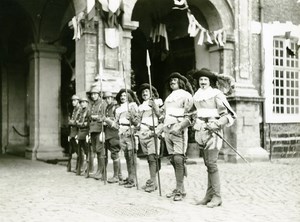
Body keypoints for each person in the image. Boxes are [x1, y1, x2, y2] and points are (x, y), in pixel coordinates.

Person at [192, 68, 236, 208]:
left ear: (210, 81)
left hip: (213, 133)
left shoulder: (216, 94)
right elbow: (194, 113)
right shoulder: (197, 96)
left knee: (212, 163)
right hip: (201, 132)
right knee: (208, 164)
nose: (203, 82)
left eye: (205, 79)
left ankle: (217, 196)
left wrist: (216, 124)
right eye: (201, 80)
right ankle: (209, 195)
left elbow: (228, 115)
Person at [163, 72, 194, 201]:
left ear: (181, 82)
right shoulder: (168, 97)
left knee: (178, 159)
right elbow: (163, 113)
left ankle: (179, 189)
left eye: (175, 80)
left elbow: (190, 115)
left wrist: (180, 127)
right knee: (172, 159)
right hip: (167, 128)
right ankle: (180, 188)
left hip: (178, 128)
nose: (172, 81)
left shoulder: (186, 96)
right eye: (171, 80)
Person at [105, 89, 140, 188]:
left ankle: (133, 179)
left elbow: (137, 121)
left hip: (130, 132)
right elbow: (116, 124)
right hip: (121, 133)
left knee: (131, 155)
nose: (123, 97)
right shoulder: (118, 109)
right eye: (121, 96)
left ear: (128, 96)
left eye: (125, 95)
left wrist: (133, 129)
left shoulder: (132, 106)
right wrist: (108, 121)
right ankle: (129, 177)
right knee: (127, 156)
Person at [136, 83, 163, 193]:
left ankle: (153, 183)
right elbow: (138, 120)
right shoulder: (141, 106)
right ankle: (152, 180)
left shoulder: (158, 102)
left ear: (152, 93)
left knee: (153, 157)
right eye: (143, 92)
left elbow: (161, 117)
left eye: (147, 91)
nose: (144, 93)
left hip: (153, 132)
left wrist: (155, 107)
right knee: (149, 158)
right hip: (143, 133)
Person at [102, 91, 123, 183]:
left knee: (114, 153)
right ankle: (119, 175)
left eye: (109, 98)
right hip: (108, 134)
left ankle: (116, 176)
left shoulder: (116, 107)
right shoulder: (107, 107)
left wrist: (106, 120)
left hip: (114, 133)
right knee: (114, 154)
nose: (108, 100)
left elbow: (116, 120)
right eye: (106, 98)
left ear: (113, 98)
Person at [87, 84, 107, 180]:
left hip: (100, 129)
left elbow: (104, 116)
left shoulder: (102, 104)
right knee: (96, 150)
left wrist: (96, 117)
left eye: (95, 94)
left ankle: (101, 171)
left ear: (99, 94)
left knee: (100, 151)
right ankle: (99, 171)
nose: (93, 96)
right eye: (92, 94)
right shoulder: (92, 104)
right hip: (93, 130)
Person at [75, 96, 90, 176]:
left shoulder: (88, 111)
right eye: (81, 102)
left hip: (86, 132)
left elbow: (88, 123)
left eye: (84, 102)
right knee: (80, 152)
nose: (82, 104)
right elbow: (76, 121)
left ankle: (87, 169)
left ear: (87, 103)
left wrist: (81, 124)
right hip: (80, 132)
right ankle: (80, 168)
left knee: (87, 151)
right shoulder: (80, 111)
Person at [67, 95, 81, 172]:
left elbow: (77, 122)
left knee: (78, 151)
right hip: (72, 132)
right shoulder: (74, 110)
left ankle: (78, 168)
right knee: (72, 150)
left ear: (78, 101)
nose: (73, 102)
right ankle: (74, 167)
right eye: (72, 101)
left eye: (75, 101)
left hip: (76, 133)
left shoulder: (79, 110)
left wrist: (71, 122)